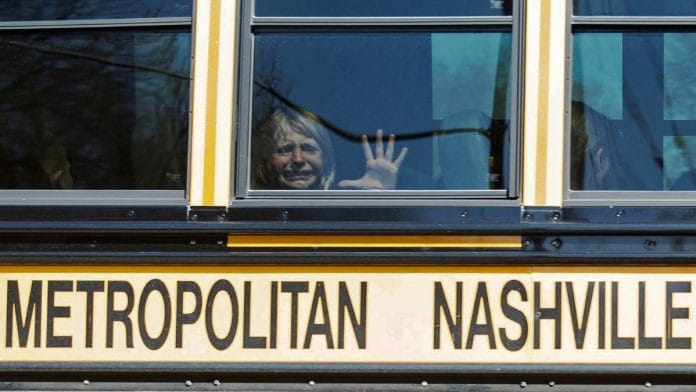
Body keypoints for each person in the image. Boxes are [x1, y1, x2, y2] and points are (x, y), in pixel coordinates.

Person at [251, 107, 407, 190]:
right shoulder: (251, 211)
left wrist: (379, 195)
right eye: (285, 149)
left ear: (325, 159)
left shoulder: (342, 208)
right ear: (267, 159)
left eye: (308, 148)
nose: (297, 159)